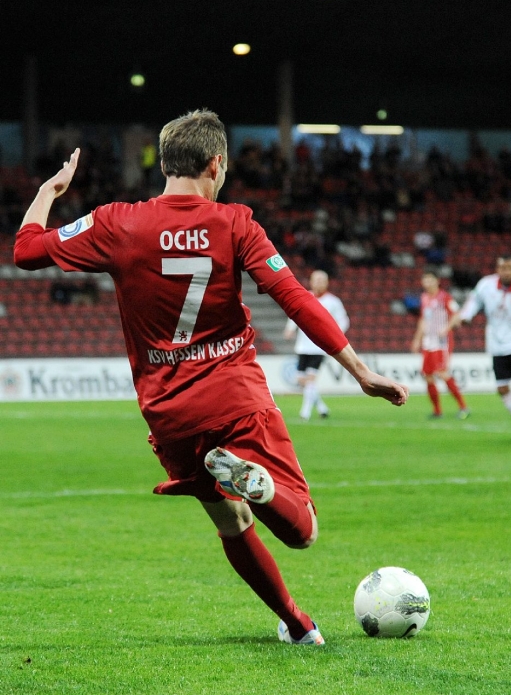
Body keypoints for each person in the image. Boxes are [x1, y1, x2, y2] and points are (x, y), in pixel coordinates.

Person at [14, 109, 408, 647]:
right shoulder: (235, 223)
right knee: (304, 531)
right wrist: (360, 371)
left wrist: (48, 191)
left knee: (230, 522)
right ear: (216, 164)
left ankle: (298, 626)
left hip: (169, 413)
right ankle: (263, 486)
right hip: (234, 395)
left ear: (165, 164)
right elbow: (295, 298)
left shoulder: (116, 222)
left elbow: (26, 250)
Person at [445, 256, 511, 445]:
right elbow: (473, 302)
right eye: (502, 268)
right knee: (502, 388)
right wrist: (465, 316)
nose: (505, 271)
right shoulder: (486, 285)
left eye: (509, 268)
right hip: (497, 345)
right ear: (497, 269)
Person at [283, 270, 350, 420]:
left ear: (327, 283)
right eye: (316, 280)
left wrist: (335, 336)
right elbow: (294, 313)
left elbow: (344, 321)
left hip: (319, 347)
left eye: (321, 280)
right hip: (303, 345)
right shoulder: (304, 297)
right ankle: (321, 408)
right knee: (302, 379)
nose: (318, 283)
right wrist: (290, 329)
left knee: (311, 379)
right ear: (311, 282)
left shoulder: (333, 301)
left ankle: (305, 413)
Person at [410, 268, 469, 419]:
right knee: (428, 375)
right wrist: (417, 339)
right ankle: (437, 411)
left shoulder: (445, 297)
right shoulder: (424, 298)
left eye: (431, 279)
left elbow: (456, 315)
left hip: (441, 342)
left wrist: (446, 328)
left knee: (442, 372)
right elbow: (423, 320)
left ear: (437, 281)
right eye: (425, 280)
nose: (428, 283)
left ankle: (463, 407)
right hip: (428, 342)